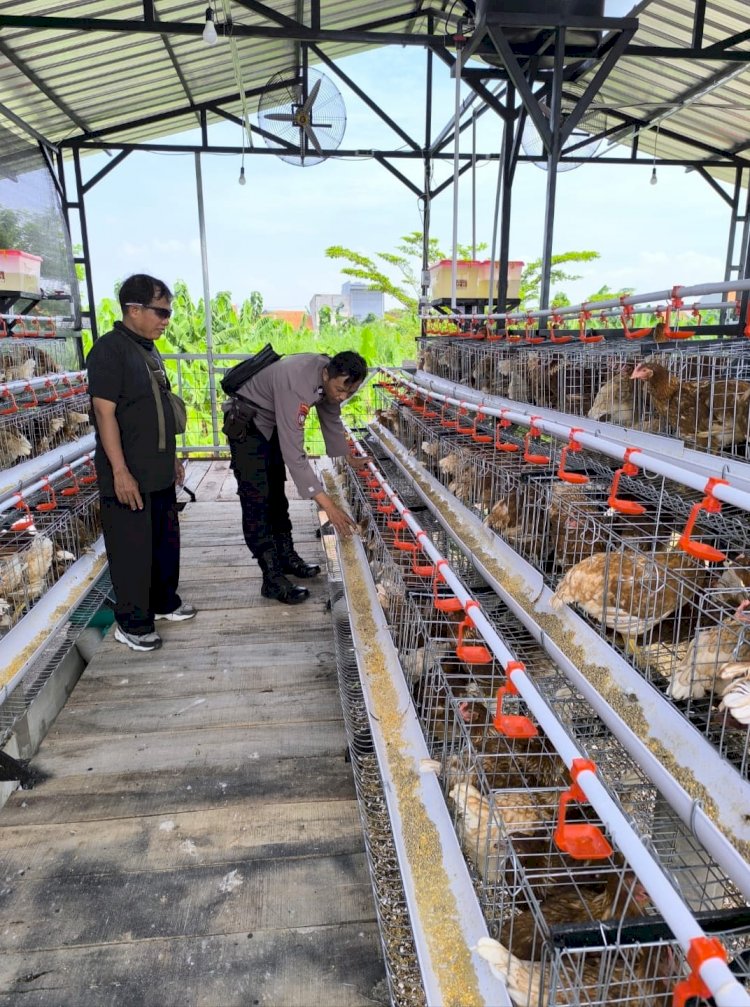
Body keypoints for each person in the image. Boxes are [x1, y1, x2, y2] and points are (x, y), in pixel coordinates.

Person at [86, 274, 196, 652]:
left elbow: (161, 405)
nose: (166, 320)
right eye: (160, 311)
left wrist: (175, 458)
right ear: (133, 310)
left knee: (164, 544)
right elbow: (105, 414)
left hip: (159, 469)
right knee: (132, 550)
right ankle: (132, 623)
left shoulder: (148, 348)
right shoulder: (109, 351)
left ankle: (164, 602)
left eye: (168, 313)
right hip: (129, 473)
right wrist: (119, 471)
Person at [224, 350, 368, 604]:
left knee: (276, 496)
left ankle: (286, 557)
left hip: (271, 423)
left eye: (350, 393)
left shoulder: (329, 378)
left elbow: (331, 417)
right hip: (248, 423)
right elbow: (295, 455)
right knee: (257, 498)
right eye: (339, 390)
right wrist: (329, 507)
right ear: (326, 374)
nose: (342, 396)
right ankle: (271, 577)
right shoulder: (298, 384)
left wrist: (347, 457)